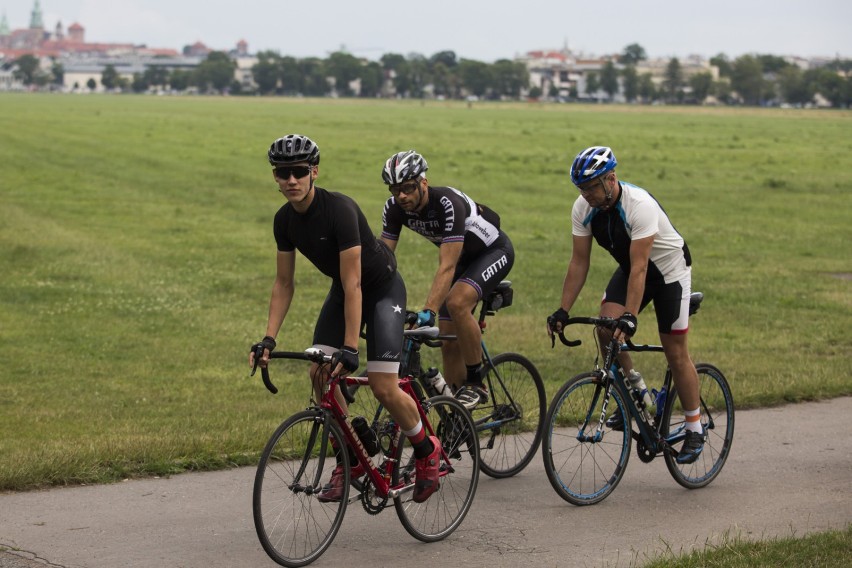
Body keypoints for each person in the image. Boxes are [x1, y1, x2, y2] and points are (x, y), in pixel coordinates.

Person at [249, 134, 440, 503]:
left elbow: (355, 284)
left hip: (381, 290)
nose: (291, 180)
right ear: (275, 176)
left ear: (314, 172)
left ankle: (425, 447)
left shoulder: (340, 210)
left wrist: (351, 347)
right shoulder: (284, 221)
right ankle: (349, 459)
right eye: (283, 173)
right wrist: (268, 339)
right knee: (320, 372)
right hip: (344, 291)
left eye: (299, 172)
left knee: (384, 385)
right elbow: (284, 283)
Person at [546, 145, 705, 464]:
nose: (586, 194)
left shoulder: (639, 206)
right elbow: (579, 262)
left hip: (669, 271)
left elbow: (643, 268)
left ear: (611, 179)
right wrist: (563, 309)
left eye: (592, 186)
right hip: (633, 268)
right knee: (606, 328)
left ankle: (694, 428)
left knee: (675, 351)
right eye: (581, 188)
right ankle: (637, 392)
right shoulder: (583, 208)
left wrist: (631, 317)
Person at [379, 150, 514, 410]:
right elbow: (383, 260)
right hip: (465, 259)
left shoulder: (447, 203)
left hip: (493, 251)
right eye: (395, 190)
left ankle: (476, 384)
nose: (402, 196)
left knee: (456, 303)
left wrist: (428, 309)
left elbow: (447, 266)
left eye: (408, 188)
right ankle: (457, 414)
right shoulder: (394, 208)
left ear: (423, 183)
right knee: (447, 341)